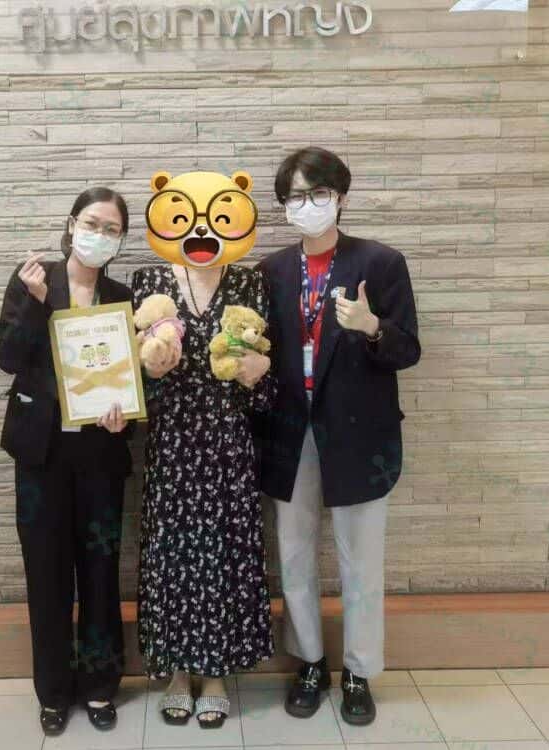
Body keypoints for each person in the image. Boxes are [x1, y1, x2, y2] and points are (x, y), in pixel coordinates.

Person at [253, 147, 421, 726]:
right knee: (295, 553)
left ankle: (357, 671)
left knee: (361, 559)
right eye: (295, 196)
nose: (308, 205)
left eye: (318, 193)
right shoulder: (271, 271)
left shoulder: (382, 262)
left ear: (341, 196)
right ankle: (308, 662)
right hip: (288, 429)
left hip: (359, 433)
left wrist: (372, 327)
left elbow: (408, 349)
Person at [134, 170, 276, 729]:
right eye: (185, 217)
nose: (200, 230)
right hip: (171, 441)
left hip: (228, 443)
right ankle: (176, 671)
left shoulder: (249, 283)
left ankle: (215, 674)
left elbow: (267, 379)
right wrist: (151, 373)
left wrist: (257, 375)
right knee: (173, 553)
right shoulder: (148, 281)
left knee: (223, 552)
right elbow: (131, 375)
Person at [0, 187, 135, 737]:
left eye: (111, 229)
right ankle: (53, 692)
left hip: (100, 455)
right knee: (47, 576)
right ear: (72, 224)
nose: (99, 235)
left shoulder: (121, 296)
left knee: (100, 573)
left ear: (120, 240)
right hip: (41, 455)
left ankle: (100, 686)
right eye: (92, 223)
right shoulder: (33, 279)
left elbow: (132, 378)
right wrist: (34, 302)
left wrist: (127, 417)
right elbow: (8, 357)